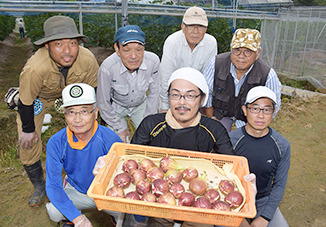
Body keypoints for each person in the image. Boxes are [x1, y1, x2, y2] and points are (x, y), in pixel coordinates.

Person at [94, 67, 235, 227]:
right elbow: (130, 159)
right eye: (175, 95)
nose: (182, 102)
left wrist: (246, 181)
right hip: (159, 203)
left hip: (199, 207)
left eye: (190, 96)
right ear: (168, 97)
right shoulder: (151, 124)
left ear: (202, 99)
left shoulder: (214, 130)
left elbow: (232, 166)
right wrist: (109, 163)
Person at [17, 15, 99, 207]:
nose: (67, 50)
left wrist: (90, 120)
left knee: (87, 129)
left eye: (73, 43)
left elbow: (93, 92)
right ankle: (39, 185)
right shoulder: (34, 68)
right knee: (27, 139)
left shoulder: (87, 59)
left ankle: (87, 173)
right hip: (40, 98)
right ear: (47, 46)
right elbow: (26, 102)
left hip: (75, 96)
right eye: (59, 44)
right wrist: (28, 130)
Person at [45, 83, 122, 227]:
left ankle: (116, 216)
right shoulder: (56, 142)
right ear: (64, 114)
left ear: (96, 112)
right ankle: (71, 218)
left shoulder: (110, 138)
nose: (78, 119)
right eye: (71, 112)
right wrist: (78, 218)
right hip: (78, 190)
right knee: (54, 210)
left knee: (133, 217)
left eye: (85, 111)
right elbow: (53, 186)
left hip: (106, 192)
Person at [229, 86, 290, 227]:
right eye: (255, 109)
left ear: (274, 112)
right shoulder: (231, 140)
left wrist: (265, 218)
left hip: (263, 199)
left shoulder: (282, 145)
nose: (261, 115)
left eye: (267, 110)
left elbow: (279, 185)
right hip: (231, 196)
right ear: (245, 110)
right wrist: (240, 220)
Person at [203, 28, 281, 132]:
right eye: (237, 50)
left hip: (248, 122)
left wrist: (255, 127)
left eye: (247, 51)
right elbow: (205, 93)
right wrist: (211, 118)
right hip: (219, 117)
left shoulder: (267, 75)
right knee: (213, 141)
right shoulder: (216, 64)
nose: (241, 56)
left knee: (245, 145)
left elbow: (273, 107)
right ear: (231, 49)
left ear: (258, 53)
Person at [97, 25, 160, 143]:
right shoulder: (107, 67)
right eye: (126, 50)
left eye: (139, 49)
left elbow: (154, 93)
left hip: (140, 105)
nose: (133, 56)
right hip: (116, 107)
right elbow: (103, 102)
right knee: (120, 143)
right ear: (117, 49)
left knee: (152, 138)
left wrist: (149, 121)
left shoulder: (153, 61)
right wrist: (119, 127)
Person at [159, 6, 218, 112]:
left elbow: (207, 78)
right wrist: (165, 106)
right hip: (174, 93)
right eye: (191, 26)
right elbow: (166, 76)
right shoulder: (172, 42)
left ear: (206, 29)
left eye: (200, 26)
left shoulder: (211, 43)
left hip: (195, 95)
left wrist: (202, 103)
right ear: (183, 27)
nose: (195, 31)